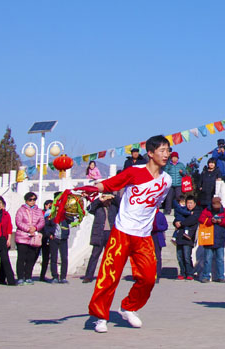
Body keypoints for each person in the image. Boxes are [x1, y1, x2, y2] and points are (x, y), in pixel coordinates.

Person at [87, 134, 173, 334]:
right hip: (122, 232)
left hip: (143, 236)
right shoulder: (135, 171)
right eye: (162, 150)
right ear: (150, 153)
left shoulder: (167, 180)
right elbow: (110, 184)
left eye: (168, 150)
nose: (166, 154)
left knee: (149, 278)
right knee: (109, 276)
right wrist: (90, 189)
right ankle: (100, 316)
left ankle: (129, 307)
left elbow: (155, 205)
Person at [82, 192, 120, 283]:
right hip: (99, 234)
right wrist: (99, 200)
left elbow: (121, 204)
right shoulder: (98, 208)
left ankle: (109, 275)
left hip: (110, 233)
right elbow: (89, 209)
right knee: (94, 255)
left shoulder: (114, 208)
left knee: (110, 256)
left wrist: (114, 197)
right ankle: (88, 276)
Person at [199, 196, 225, 283]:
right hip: (208, 238)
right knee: (207, 259)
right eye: (215, 205)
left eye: (218, 205)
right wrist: (211, 221)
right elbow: (201, 219)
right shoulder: (206, 211)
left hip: (220, 238)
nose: (216, 207)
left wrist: (221, 221)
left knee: (220, 259)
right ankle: (206, 276)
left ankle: (221, 276)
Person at [14, 192, 45, 285]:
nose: (32, 201)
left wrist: (35, 228)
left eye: (34, 199)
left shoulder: (39, 211)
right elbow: (18, 222)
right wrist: (28, 229)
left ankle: (28, 276)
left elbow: (42, 221)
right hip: (22, 237)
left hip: (33, 237)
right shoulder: (21, 210)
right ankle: (20, 277)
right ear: (26, 200)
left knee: (31, 258)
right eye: (30, 199)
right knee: (21, 258)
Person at [174, 195, 201, 281]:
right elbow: (177, 218)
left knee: (187, 257)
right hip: (179, 236)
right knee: (179, 256)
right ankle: (182, 272)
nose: (189, 205)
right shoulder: (183, 210)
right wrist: (176, 222)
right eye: (188, 203)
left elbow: (191, 220)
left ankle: (190, 273)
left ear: (194, 204)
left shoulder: (196, 212)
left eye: (191, 203)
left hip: (188, 237)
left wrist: (181, 223)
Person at [46, 194, 71, 284]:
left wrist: (65, 213)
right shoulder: (50, 212)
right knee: (54, 258)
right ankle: (55, 276)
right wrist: (49, 234)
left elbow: (71, 220)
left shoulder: (66, 211)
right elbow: (46, 225)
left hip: (63, 238)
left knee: (64, 258)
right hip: (54, 237)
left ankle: (63, 277)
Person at [39, 199, 54, 282]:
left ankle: (42, 276)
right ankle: (27, 275)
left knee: (46, 257)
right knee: (34, 256)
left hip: (47, 237)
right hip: (40, 236)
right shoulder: (41, 213)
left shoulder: (52, 213)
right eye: (49, 205)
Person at [152, 210, 167, 283]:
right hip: (147, 237)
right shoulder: (146, 213)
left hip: (157, 237)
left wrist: (156, 227)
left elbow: (165, 226)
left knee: (157, 257)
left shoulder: (160, 215)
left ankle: (157, 275)